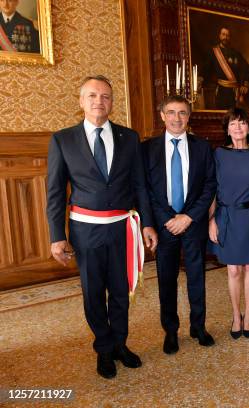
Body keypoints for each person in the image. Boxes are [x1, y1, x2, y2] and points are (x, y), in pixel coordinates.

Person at [46, 75, 158, 379]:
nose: (99, 101)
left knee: (122, 291)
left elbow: (140, 186)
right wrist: (57, 237)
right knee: (93, 292)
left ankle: (120, 344)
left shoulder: (129, 137)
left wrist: (148, 224)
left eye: (106, 96)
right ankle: (104, 349)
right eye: (93, 95)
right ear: (81, 101)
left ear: (112, 102)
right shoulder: (63, 139)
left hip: (123, 228)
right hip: (85, 231)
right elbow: (55, 192)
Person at [141, 95, 217, 355]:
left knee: (197, 277)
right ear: (162, 115)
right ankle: (170, 331)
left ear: (189, 116)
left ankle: (198, 327)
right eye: (171, 112)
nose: (176, 118)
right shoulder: (147, 148)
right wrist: (166, 218)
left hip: (192, 223)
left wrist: (189, 217)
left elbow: (209, 186)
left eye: (182, 113)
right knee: (167, 279)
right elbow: (146, 189)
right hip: (165, 225)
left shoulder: (202, 148)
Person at [209, 107, 249, 339]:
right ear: (227, 129)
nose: (238, 127)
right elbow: (212, 190)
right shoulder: (219, 154)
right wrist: (211, 220)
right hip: (226, 216)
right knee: (233, 270)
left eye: (242, 123)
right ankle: (236, 316)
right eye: (233, 123)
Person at [201, 27, 249, 109]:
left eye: (227, 35)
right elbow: (205, 71)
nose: (225, 37)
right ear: (219, 36)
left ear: (230, 37)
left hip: (234, 93)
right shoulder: (213, 52)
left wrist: (245, 84)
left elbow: (246, 69)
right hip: (220, 91)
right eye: (223, 34)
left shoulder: (236, 53)